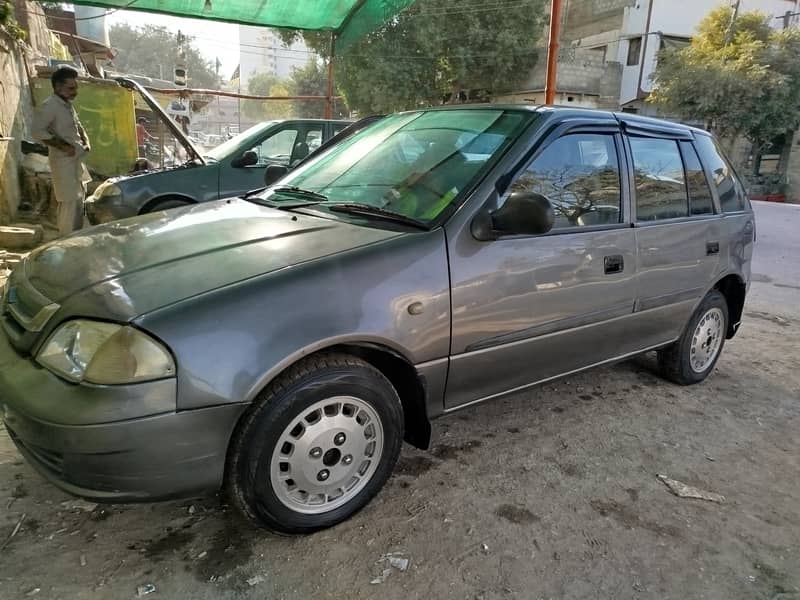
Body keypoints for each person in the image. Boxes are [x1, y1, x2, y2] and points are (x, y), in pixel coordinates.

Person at [31, 66, 91, 236]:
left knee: (80, 199)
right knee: (68, 202)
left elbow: (78, 126)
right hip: (62, 161)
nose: (75, 91)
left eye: (76, 87)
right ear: (58, 87)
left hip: (76, 159)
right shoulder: (49, 106)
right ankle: (66, 241)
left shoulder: (66, 104)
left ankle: (76, 238)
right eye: (71, 88)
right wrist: (63, 146)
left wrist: (86, 140)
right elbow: (37, 132)